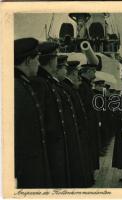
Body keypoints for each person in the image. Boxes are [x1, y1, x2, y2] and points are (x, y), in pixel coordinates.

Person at [31, 42, 71, 188]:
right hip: (51, 148)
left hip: (57, 146)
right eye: (56, 58)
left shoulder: (47, 82)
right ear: (51, 59)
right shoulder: (41, 84)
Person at [14, 38, 51, 188]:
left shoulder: (23, 84)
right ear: (28, 60)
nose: (38, 64)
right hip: (24, 172)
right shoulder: (16, 88)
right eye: (36, 59)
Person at [62, 61, 94, 186]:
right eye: (76, 74)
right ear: (73, 73)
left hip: (80, 128)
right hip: (77, 129)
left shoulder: (72, 87)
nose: (78, 77)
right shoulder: (68, 88)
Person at [78, 64, 100, 170]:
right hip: (87, 124)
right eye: (93, 71)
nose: (95, 74)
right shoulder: (82, 86)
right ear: (88, 72)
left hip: (91, 123)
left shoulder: (87, 85)